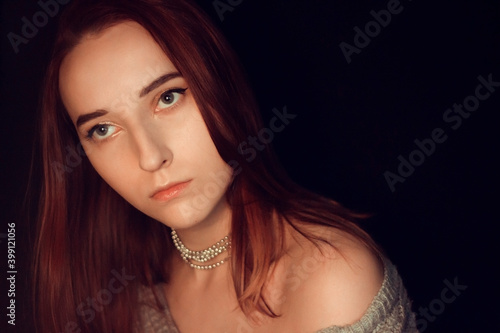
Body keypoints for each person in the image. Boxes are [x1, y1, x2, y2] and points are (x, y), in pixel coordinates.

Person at [32, 0, 417, 332]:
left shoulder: (329, 280)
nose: (150, 157)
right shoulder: (123, 290)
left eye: (168, 97)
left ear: (221, 86)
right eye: (102, 129)